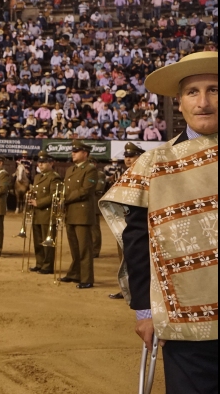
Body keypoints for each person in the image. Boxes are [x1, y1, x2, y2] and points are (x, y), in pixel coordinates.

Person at [100, 51, 218, 394]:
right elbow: (138, 241)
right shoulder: (153, 165)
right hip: (183, 325)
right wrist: (143, 311)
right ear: (179, 103)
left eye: (214, 89)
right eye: (193, 92)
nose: (204, 101)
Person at [107, 142, 146, 300]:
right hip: (123, 219)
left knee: (139, 257)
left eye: (132, 156)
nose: (128, 160)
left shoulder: (144, 173)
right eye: (126, 156)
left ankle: (139, 291)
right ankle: (126, 288)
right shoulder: (121, 173)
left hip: (139, 221)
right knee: (124, 257)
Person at [59, 140, 98, 289]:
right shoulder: (70, 170)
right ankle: (75, 273)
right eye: (72, 151)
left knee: (84, 248)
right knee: (74, 247)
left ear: (85, 154)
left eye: (76, 151)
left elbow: (86, 190)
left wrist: (66, 198)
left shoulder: (90, 169)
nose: (73, 153)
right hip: (70, 213)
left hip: (82, 213)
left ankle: (87, 278)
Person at [28, 150, 62, 274]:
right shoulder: (38, 177)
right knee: (38, 241)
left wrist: (39, 202)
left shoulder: (54, 177)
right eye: (39, 162)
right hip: (37, 214)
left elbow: (56, 195)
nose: (40, 165)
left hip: (47, 214)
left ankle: (47, 266)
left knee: (47, 242)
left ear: (51, 163)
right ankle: (40, 263)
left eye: (43, 162)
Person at [90, 157, 107, 258]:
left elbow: (98, 188)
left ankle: (95, 250)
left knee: (95, 229)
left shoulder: (99, 174)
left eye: (92, 162)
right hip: (88, 203)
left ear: (95, 164)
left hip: (94, 203)